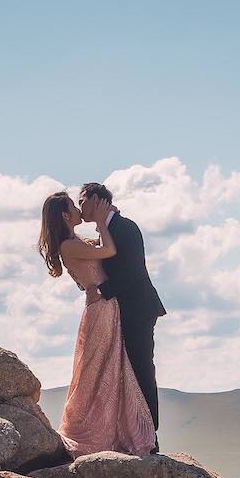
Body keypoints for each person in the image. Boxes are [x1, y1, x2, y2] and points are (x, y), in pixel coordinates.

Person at [38, 190, 157, 458]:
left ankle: (117, 429)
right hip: (101, 310)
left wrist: (106, 219)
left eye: (81, 201)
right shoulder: (69, 246)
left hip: (107, 307)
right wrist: (102, 221)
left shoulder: (75, 241)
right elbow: (109, 250)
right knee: (97, 370)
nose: (80, 209)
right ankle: (92, 431)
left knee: (110, 367)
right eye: (74, 205)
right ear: (66, 215)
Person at [78, 180, 165, 446]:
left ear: (96, 200)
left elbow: (133, 271)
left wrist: (101, 291)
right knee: (122, 370)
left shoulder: (125, 227)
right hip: (117, 311)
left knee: (140, 367)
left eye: (82, 200)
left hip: (137, 309)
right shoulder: (107, 230)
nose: (80, 207)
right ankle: (128, 432)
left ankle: (150, 434)